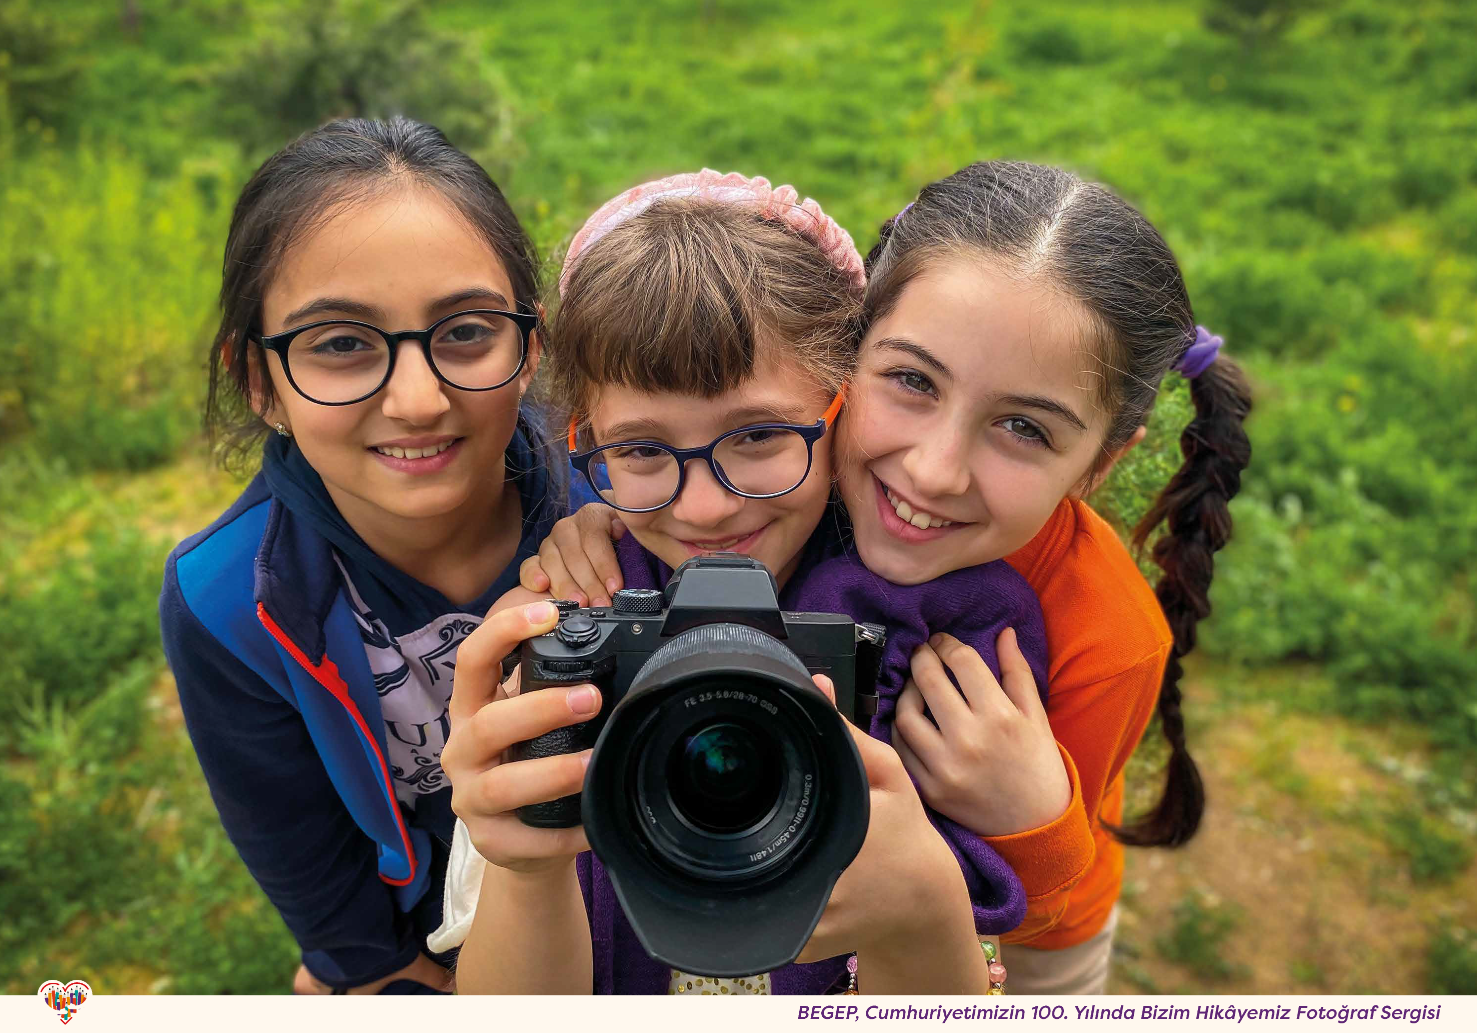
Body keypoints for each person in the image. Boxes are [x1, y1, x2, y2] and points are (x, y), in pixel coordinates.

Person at [524, 160, 1253, 994]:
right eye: (911, 380)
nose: (934, 472)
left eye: (1023, 427)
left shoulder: (1109, 633)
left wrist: (1033, 823)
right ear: (846, 360)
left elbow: (1035, 912)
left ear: (1098, 463)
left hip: (1037, 933)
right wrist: (594, 524)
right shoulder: (774, 474)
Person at [437, 171, 1053, 994]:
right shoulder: (568, 627)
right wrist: (524, 864)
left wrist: (930, 902)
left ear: (846, 402)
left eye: (759, 435)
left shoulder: (953, 634)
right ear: (588, 444)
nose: (706, 505)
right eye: (644, 451)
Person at [158, 117, 561, 994]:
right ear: (260, 381)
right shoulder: (224, 599)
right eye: (341, 344)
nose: (417, 400)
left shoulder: (626, 511)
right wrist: (377, 970)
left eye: (465, 331)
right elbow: (292, 838)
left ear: (529, 346)